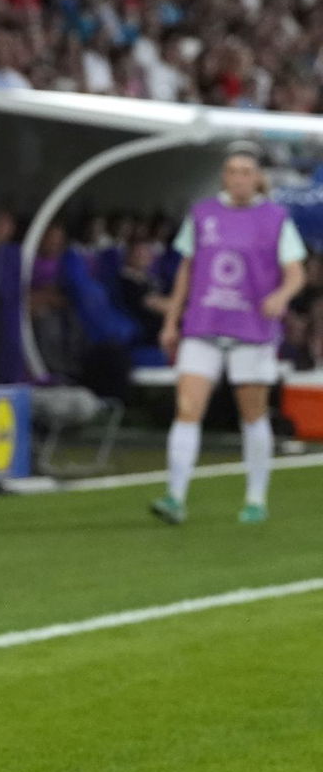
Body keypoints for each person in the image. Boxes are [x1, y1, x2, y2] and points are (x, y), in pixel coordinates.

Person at [152, 146, 307, 525]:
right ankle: (175, 496)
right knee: (187, 409)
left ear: (257, 178)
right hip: (204, 323)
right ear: (225, 176)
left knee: (252, 413)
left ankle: (255, 498)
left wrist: (281, 296)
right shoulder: (203, 214)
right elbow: (186, 270)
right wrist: (172, 321)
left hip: (251, 328)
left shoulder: (275, 219)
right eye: (232, 171)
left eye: (245, 171)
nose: (238, 178)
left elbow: (296, 272)